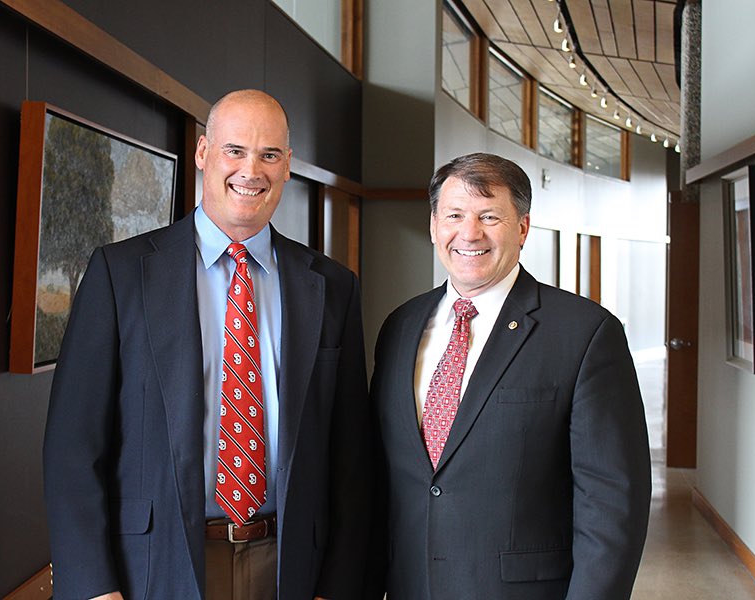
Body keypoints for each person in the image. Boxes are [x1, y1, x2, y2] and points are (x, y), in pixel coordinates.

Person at [43, 89, 370, 600]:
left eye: (269, 155)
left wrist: (339, 586)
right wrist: (93, 589)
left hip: (289, 568)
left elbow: (352, 457)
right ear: (202, 153)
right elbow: (73, 447)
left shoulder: (332, 286)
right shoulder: (121, 274)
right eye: (235, 150)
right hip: (155, 568)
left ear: (288, 165)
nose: (251, 171)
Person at [366, 153, 651, 599]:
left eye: (489, 216)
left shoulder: (585, 333)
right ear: (434, 226)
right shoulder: (400, 327)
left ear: (522, 228)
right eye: (454, 215)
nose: (469, 233)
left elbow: (612, 503)